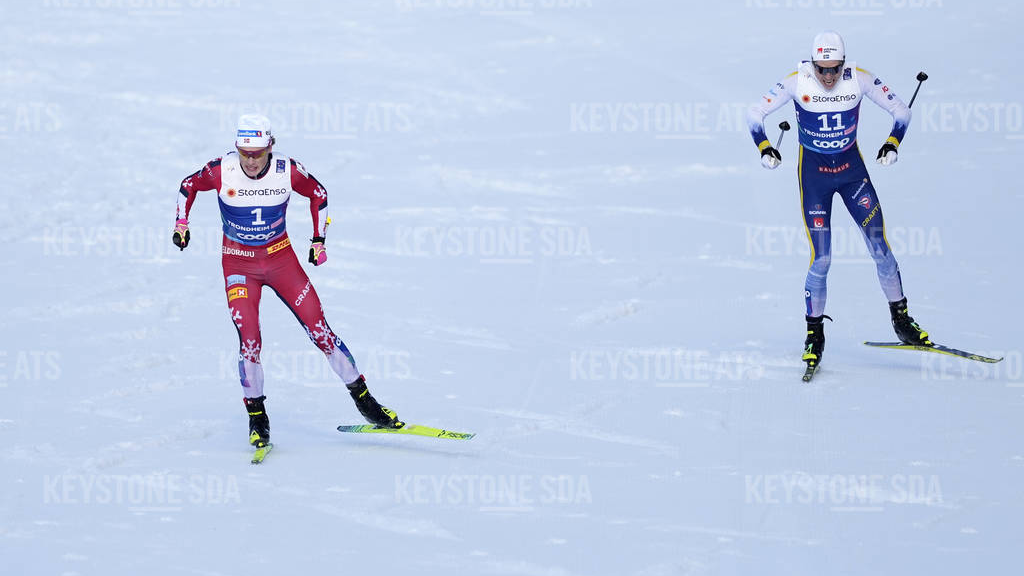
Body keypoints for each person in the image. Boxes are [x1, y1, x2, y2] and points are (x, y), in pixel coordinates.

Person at [173, 113, 403, 448]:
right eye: (245, 153)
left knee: (320, 329)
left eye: (258, 153)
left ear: (271, 147)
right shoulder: (221, 170)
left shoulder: (286, 170)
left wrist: (318, 239)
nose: (251, 161)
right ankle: (257, 418)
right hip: (239, 265)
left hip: (281, 261)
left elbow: (319, 193)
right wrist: (181, 223)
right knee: (249, 339)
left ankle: (366, 401)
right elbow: (188, 186)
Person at [747, 30, 931, 372]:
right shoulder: (796, 81)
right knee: (822, 258)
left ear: (844, 65)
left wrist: (892, 143)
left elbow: (901, 111)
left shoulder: (858, 79)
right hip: (814, 177)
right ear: (812, 65)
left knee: (880, 247)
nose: (829, 77)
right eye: (822, 69)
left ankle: (902, 320)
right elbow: (754, 113)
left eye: (835, 69)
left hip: (852, 173)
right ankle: (814, 335)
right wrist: (765, 146)